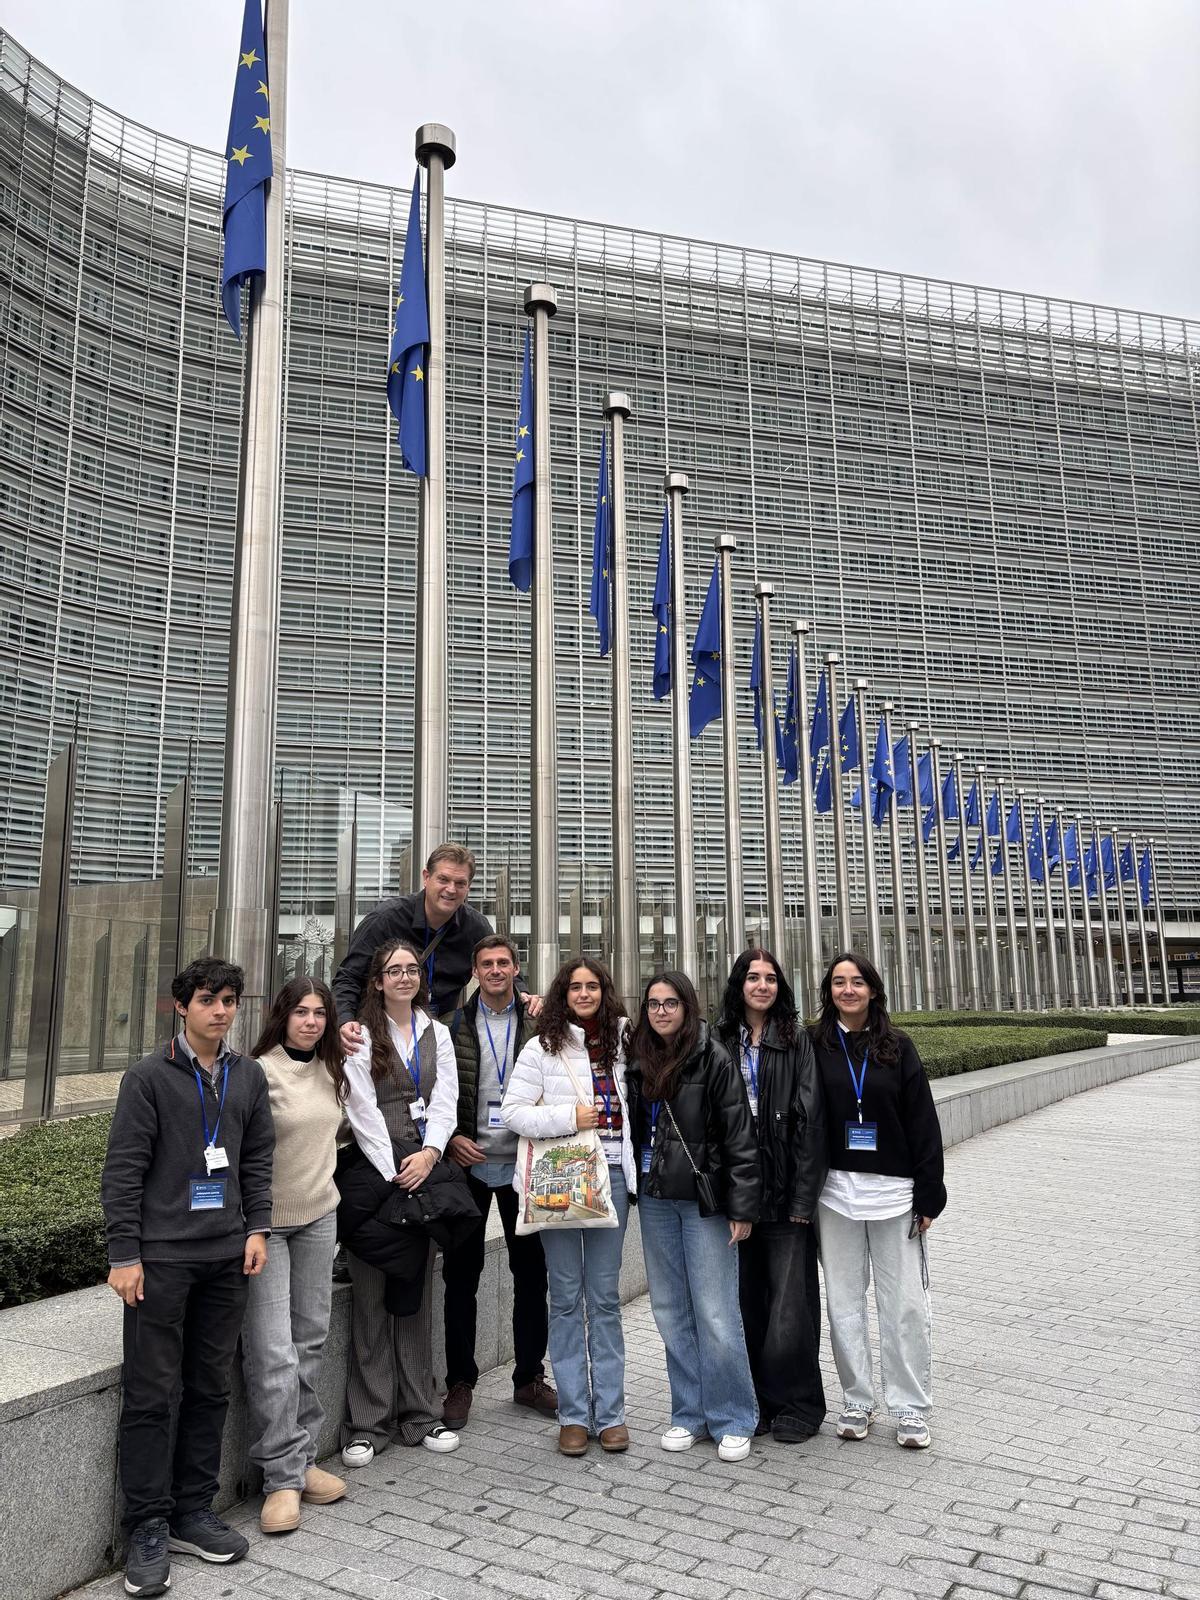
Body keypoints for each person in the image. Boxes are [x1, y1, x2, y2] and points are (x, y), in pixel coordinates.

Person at [101, 957, 274, 1599]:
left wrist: (257, 1228)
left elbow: (257, 1158)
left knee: (209, 1387)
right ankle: (147, 1524)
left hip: (227, 1256)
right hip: (162, 1261)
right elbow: (123, 1170)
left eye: (229, 1000)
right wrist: (125, 1254)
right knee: (151, 1394)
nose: (221, 1011)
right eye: (208, 999)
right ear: (182, 1006)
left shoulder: (247, 1075)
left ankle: (192, 1511)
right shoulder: (148, 1077)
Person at [810, 951, 947, 1450]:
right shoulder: (814, 1044)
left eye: (857, 982)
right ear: (828, 991)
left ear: (873, 990)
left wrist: (929, 1193)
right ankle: (857, 1400)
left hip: (895, 1196)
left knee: (904, 1305)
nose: (848, 990)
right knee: (843, 1303)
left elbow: (922, 1120)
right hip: (835, 1195)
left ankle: (910, 1406)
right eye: (838, 982)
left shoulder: (898, 1046)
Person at [501, 957, 636, 1456]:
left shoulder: (625, 1041)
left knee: (604, 1299)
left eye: (592, 986)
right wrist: (569, 1116)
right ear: (562, 994)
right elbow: (513, 1113)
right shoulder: (541, 1047)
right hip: (561, 1178)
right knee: (563, 1298)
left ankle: (612, 1413)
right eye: (575, 987)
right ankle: (574, 1415)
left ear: (604, 991)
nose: (584, 994)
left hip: (612, 1177)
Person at [626, 971, 760, 1463]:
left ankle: (733, 1417)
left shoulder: (713, 1056)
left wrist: (742, 1207)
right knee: (670, 1309)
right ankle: (689, 1413)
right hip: (656, 1196)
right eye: (653, 1004)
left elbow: (740, 1134)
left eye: (670, 1003)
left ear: (687, 1007)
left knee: (716, 1311)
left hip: (704, 1200)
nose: (661, 1011)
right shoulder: (638, 1057)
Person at [339, 940, 461, 1464]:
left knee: (415, 1295)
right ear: (378, 980)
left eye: (412, 969)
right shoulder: (360, 1036)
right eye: (395, 970)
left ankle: (420, 1413)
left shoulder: (438, 1033)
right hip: (374, 1176)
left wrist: (430, 1154)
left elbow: (446, 1099)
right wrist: (393, 1166)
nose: (405, 977)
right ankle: (367, 1423)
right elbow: (360, 1107)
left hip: (422, 1176)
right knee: (369, 1299)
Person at [242, 977, 349, 1535]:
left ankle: (302, 1460)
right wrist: (253, 1225)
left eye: (319, 1013)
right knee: (272, 1352)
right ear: (281, 1015)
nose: (310, 1022)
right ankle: (280, 1478)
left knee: (309, 1341)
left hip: (319, 1216)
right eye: (301, 1012)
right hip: (267, 1226)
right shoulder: (258, 1072)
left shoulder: (333, 1068)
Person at [439, 935, 557, 1428]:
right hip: (469, 1165)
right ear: (475, 971)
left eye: (503, 962)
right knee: (460, 1276)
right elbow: (438, 1092)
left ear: (515, 968)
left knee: (531, 1275)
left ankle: (529, 1378)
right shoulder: (452, 1025)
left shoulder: (539, 1021)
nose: (495, 970)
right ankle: (460, 1382)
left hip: (523, 1166)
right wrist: (451, 1139)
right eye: (486, 963)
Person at [715, 949, 828, 1443]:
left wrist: (803, 1200)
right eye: (753, 977)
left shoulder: (796, 1040)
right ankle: (755, 1401)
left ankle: (798, 1403)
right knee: (745, 1301)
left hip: (784, 1190)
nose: (762, 985)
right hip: (736, 1190)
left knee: (790, 1303)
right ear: (738, 984)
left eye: (771, 978)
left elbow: (812, 1120)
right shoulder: (719, 1039)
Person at [333, 842, 542, 1030]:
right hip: (380, 1030)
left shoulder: (475, 927)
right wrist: (345, 1020)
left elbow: (501, 962)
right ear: (426, 877)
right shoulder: (385, 919)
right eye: (443, 879)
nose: (451, 889)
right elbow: (349, 977)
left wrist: (523, 993)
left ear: (468, 887)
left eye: (460, 883)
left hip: (439, 1032)